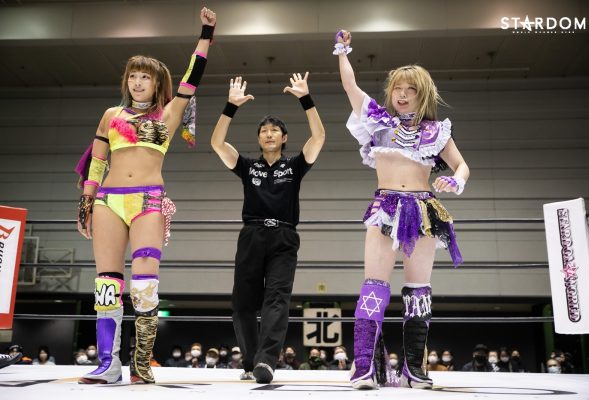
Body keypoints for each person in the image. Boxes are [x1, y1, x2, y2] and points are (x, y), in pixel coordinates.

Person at [75, 7, 216, 385]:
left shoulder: (169, 114)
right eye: (133, 76)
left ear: (157, 83)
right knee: (106, 284)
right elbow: (97, 162)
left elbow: (193, 76)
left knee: (144, 285)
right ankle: (108, 365)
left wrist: (206, 33)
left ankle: (140, 363)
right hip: (108, 201)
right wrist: (87, 202)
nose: (137, 82)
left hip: (148, 201)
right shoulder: (111, 115)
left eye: (145, 77)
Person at [335, 30, 469, 390]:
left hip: (423, 210)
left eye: (411, 89)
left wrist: (455, 181)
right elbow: (350, 86)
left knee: (419, 290)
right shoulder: (376, 120)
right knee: (373, 286)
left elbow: (461, 166)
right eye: (398, 88)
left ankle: (415, 369)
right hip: (386, 207)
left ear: (422, 94)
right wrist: (343, 51)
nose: (403, 95)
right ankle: (364, 366)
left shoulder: (436, 131)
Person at [210, 72, 325, 384]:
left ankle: (266, 361)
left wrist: (306, 99)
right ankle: (251, 363)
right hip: (251, 235)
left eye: (275, 130)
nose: (269, 134)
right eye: (264, 131)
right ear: (259, 138)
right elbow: (216, 143)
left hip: (284, 237)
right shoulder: (248, 166)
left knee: (277, 299)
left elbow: (318, 138)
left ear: (284, 138)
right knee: (243, 303)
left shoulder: (295, 166)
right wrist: (231, 106)